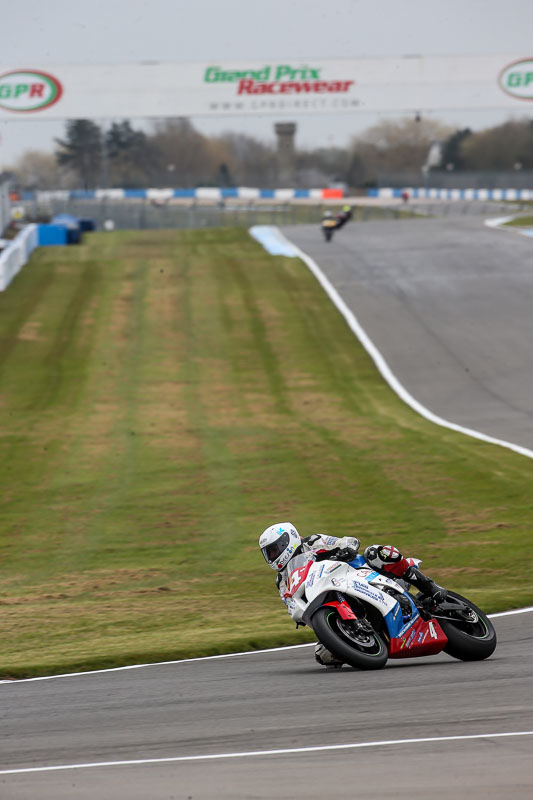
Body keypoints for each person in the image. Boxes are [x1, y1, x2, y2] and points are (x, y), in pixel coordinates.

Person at [259, 522, 445, 668]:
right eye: (269, 553)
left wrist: (344, 547)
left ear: (287, 541)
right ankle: (362, 638)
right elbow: (290, 601)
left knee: (377, 552)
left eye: (274, 550)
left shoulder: (311, 542)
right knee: (323, 655)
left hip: (356, 571)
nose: (273, 556)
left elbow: (346, 541)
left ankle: (430, 587)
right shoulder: (282, 580)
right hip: (328, 595)